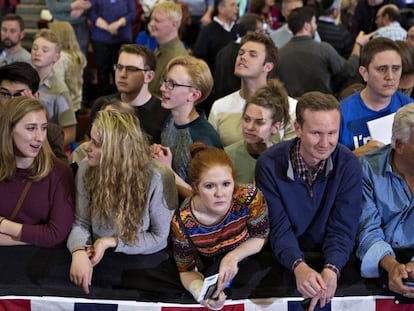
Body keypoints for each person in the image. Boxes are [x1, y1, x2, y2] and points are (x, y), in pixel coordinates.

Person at [255, 91, 362, 311]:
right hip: (283, 259)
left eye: (332, 133)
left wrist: (332, 268)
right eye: (316, 133)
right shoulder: (268, 164)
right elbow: (278, 227)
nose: (325, 142)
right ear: (298, 129)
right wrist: (298, 266)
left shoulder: (349, 165)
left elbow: (343, 227)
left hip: (331, 257)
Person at [67, 110, 178, 294]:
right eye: (90, 139)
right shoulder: (87, 167)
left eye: (96, 144)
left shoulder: (158, 176)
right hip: (99, 258)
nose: (86, 148)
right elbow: (81, 223)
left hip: (143, 264)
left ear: (117, 150)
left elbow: (160, 238)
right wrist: (78, 251)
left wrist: (111, 242)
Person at [171, 142, 269, 310]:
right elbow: (186, 270)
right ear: (195, 188)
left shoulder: (249, 198)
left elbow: (261, 237)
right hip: (213, 275)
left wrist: (233, 256)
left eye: (226, 184)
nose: (220, 193)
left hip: (251, 262)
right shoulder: (182, 223)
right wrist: (201, 292)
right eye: (209, 186)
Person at [0, 96, 74, 247]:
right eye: (31, 128)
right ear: (9, 130)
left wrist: (4, 226)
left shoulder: (59, 172)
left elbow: (56, 235)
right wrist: (37, 236)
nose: (40, 137)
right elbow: (48, 236)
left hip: (38, 264)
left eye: (44, 128)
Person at [357, 103, 414, 298]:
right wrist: (393, 267)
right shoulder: (367, 169)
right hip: (379, 263)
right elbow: (367, 229)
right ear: (398, 145)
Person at [209, 31, 297, 147]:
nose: (243, 57)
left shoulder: (290, 108)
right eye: (241, 53)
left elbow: (289, 156)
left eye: (252, 54)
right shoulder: (219, 107)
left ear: (268, 66)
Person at [152, 55, 222, 197]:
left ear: (194, 95)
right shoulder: (170, 119)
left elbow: (207, 198)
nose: (162, 88)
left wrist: (167, 171)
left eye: (172, 84)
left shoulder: (204, 139)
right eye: (164, 81)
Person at [339, 37, 413, 157]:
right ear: (364, 73)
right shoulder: (341, 113)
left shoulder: (410, 108)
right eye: (382, 69)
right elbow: (328, 167)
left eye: (396, 69)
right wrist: (355, 155)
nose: (390, 76)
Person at [275, 6, 372, 97]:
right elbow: (349, 70)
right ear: (307, 26)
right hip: (321, 107)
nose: (316, 26)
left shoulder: (280, 54)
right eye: (314, 22)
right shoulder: (324, 49)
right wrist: (358, 44)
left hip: (291, 109)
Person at [88, 44, 169, 144]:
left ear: (149, 76)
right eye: (119, 67)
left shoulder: (164, 113)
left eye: (131, 69)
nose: (122, 74)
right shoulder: (102, 105)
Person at [225, 79, 290, 184]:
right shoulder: (227, 157)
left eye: (259, 122)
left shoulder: (284, 160)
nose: (249, 127)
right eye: (246, 119)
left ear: (275, 127)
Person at [0, 61, 67, 161]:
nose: (11, 102)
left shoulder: (51, 133)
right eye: (5, 94)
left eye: (19, 96)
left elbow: (60, 172)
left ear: (35, 97)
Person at [31, 28, 77, 148]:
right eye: (35, 48)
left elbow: (70, 133)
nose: (38, 52)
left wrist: (48, 149)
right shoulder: (24, 82)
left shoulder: (60, 90)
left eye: (45, 50)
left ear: (56, 58)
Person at [89, 0, 136, 96]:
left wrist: (118, 24)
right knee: (102, 70)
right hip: (100, 38)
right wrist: (108, 27)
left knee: (120, 69)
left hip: (122, 38)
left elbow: (132, 14)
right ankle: (103, 99)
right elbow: (91, 13)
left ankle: (119, 98)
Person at [214, 13, 264, 100]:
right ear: (250, 33)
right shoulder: (246, 56)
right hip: (237, 102)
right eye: (260, 31)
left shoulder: (222, 51)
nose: (263, 34)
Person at [147, 1, 188, 99]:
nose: (151, 24)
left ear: (174, 24)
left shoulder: (176, 58)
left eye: (157, 20)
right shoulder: (161, 48)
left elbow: (168, 97)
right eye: (151, 19)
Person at [48, 21, 87, 113]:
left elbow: (57, 86)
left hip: (63, 108)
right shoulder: (77, 55)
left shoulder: (60, 59)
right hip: (75, 104)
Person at [192, 0, 239, 75]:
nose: (237, 8)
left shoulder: (237, 29)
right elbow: (198, 58)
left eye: (236, 5)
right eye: (232, 5)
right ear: (221, 9)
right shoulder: (208, 31)